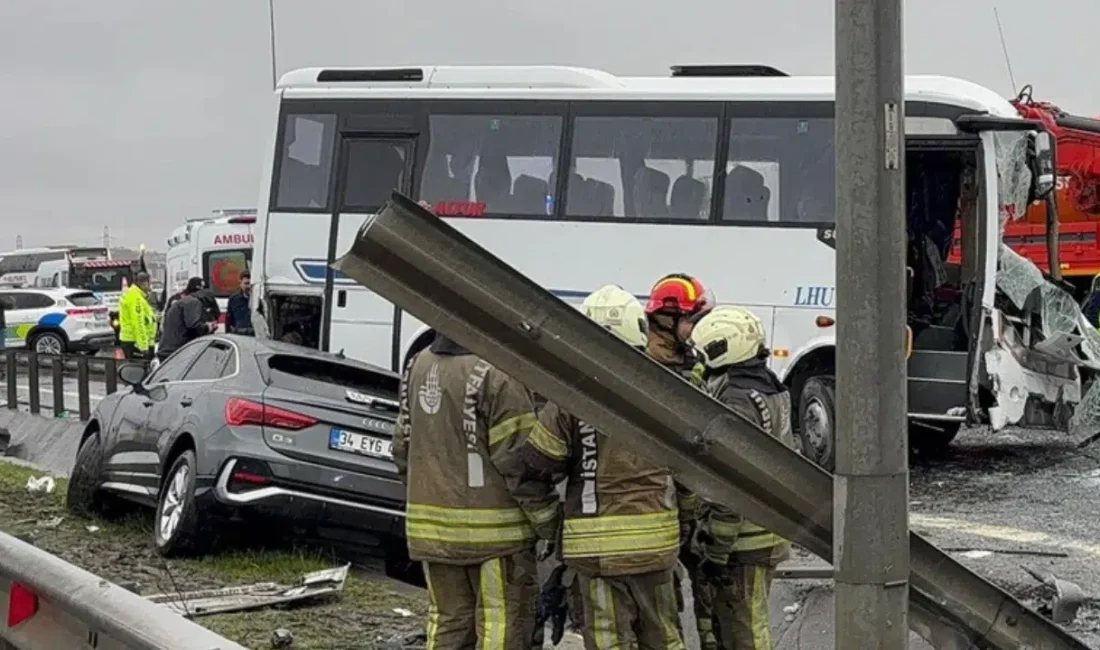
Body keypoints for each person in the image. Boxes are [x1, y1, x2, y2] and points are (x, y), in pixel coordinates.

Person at [496, 285, 687, 650]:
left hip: (597, 555)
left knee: (608, 642)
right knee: (664, 639)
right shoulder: (668, 393)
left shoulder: (573, 398)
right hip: (658, 551)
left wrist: (552, 527)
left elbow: (536, 466)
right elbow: (690, 480)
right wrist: (687, 525)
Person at [394, 332, 547, 650]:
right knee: (500, 629)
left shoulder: (418, 365)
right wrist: (550, 523)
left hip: (433, 534)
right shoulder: (500, 373)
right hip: (497, 540)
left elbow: (402, 448)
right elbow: (521, 465)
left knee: (448, 627)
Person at [689, 305, 798, 650]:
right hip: (767, 530)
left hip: (743, 539)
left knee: (744, 632)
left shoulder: (735, 400)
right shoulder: (771, 387)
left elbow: (729, 484)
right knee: (745, 624)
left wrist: (716, 550)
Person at [644, 272, 716, 650]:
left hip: (692, 504)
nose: (697, 327)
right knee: (663, 607)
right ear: (666, 321)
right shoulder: (648, 371)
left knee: (706, 595)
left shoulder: (690, 363)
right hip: (665, 505)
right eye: (692, 319)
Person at [157, 290, 216, 361]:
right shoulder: (194, 303)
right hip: (177, 352)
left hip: (168, 350)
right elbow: (194, 326)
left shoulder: (183, 302)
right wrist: (207, 327)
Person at [118, 272, 157, 360]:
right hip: (135, 341)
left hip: (134, 340)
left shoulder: (135, 295)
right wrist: (144, 347)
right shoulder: (135, 298)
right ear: (143, 283)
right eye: (149, 283)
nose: (150, 286)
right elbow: (138, 323)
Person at [224, 271, 253, 335]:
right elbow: (228, 320)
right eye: (246, 283)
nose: (249, 286)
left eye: (251, 284)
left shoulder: (259, 298)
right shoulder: (234, 299)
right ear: (240, 283)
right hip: (239, 335)